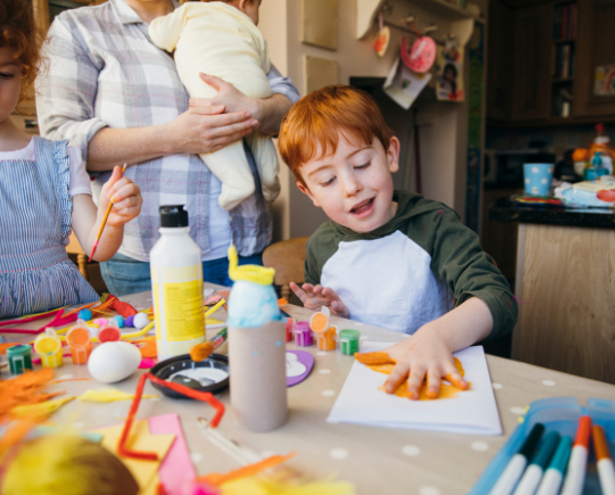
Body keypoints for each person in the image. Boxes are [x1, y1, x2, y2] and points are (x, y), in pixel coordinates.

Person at [36, 0, 299, 296]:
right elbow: (58, 146)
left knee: (251, 341)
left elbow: (291, 104)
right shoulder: (79, 28)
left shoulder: (210, 12)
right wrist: (174, 137)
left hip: (244, 244)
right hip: (147, 257)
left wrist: (256, 111)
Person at [278, 85, 517, 400]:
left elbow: (498, 298)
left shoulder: (434, 224)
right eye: (327, 180)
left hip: (426, 380)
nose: (351, 186)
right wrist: (326, 315)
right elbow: (319, 326)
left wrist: (438, 336)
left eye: (362, 164)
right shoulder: (320, 246)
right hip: (353, 382)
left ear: (390, 155)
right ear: (310, 192)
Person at [0, 0, 142, 318]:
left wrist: (111, 215)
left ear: (24, 73)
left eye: (3, 74)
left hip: (63, 320)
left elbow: (97, 247)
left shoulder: (58, 158)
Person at [149, 0, 279, 211]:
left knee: (217, 132)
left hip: (215, 92)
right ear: (246, 3)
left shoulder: (190, 11)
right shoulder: (250, 27)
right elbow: (262, 64)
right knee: (256, 133)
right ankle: (270, 177)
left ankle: (237, 180)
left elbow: (161, 36)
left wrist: (156, 25)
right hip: (257, 89)